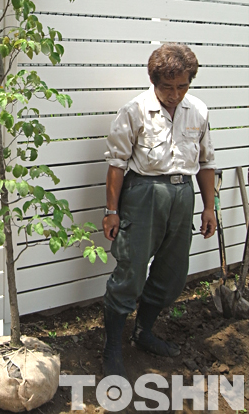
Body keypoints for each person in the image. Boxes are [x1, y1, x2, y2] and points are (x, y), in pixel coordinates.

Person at [102, 43, 217, 379]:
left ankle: (144, 333)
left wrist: (209, 207)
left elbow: (207, 162)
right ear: (154, 81)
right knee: (131, 271)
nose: (175, 94)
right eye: (168, 86)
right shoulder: (135, 110)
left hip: (184, 194)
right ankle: (111, 348)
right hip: (144, 192)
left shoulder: (198, 110)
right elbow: (116, 164)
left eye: (182, 86)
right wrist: (112, 209)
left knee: (172, 272)